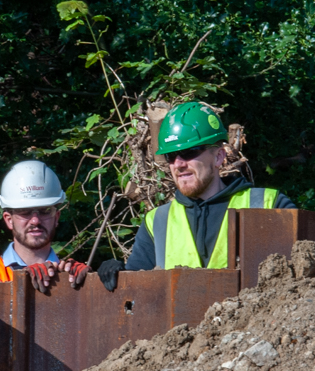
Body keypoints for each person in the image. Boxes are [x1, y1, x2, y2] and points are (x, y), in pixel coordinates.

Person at [118, 102, 296, 273]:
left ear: (219, 157)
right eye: (171, 156)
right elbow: (136, 291)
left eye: (189, 152)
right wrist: (118, 273)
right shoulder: (157, 222)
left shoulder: (270, 205)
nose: (178, 164)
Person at [0, 161, 89, 293]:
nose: (35, 220)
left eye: (45, 210)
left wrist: (96, 284)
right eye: (24, 212)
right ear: (8, 220)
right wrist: (23, 279)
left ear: (56, 217)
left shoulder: (73, 274)